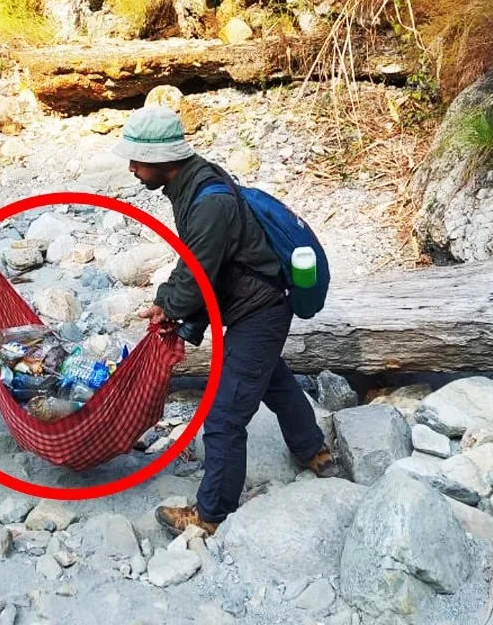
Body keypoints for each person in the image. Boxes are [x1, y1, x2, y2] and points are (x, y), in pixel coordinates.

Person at [115, 106, 337, 535]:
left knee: (223, 417)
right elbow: (198, 262)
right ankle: (313, 451)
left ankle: (212, 514)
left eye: (138, 159)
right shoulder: (192, 183)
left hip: (260, 310)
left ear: (164, 159)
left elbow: (198, 275)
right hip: (255, 303)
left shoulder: (206, 202)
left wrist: (173, 308)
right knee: (273, 378)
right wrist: (169, 304)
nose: (132, 167)